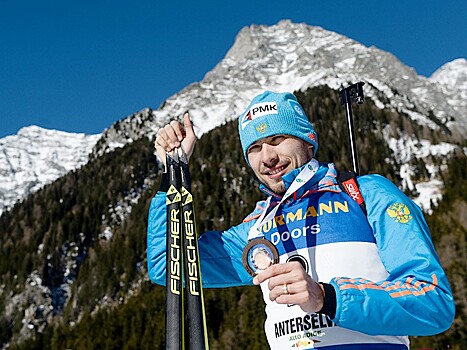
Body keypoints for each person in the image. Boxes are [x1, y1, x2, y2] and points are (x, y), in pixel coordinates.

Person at [147, 91, 455, 349]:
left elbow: (433, 301)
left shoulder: (365, 194)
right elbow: (168, 265)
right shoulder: (256, 228)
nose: (267, 157)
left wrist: (327, 297)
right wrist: (173, 172)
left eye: (277, 139)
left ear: (308, 141)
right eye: (254, 148)